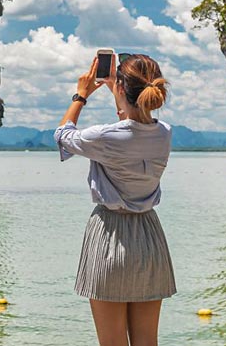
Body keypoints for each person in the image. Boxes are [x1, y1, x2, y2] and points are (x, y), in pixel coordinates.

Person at [54, 53, 175, 346]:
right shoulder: (165, 134)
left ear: (122, 89)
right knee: (147, 342)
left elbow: (62, 135)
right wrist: (117, 89)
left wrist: (80, 95)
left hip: (109, 236)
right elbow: (134, 124)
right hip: (149, 238)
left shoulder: (103, 137)